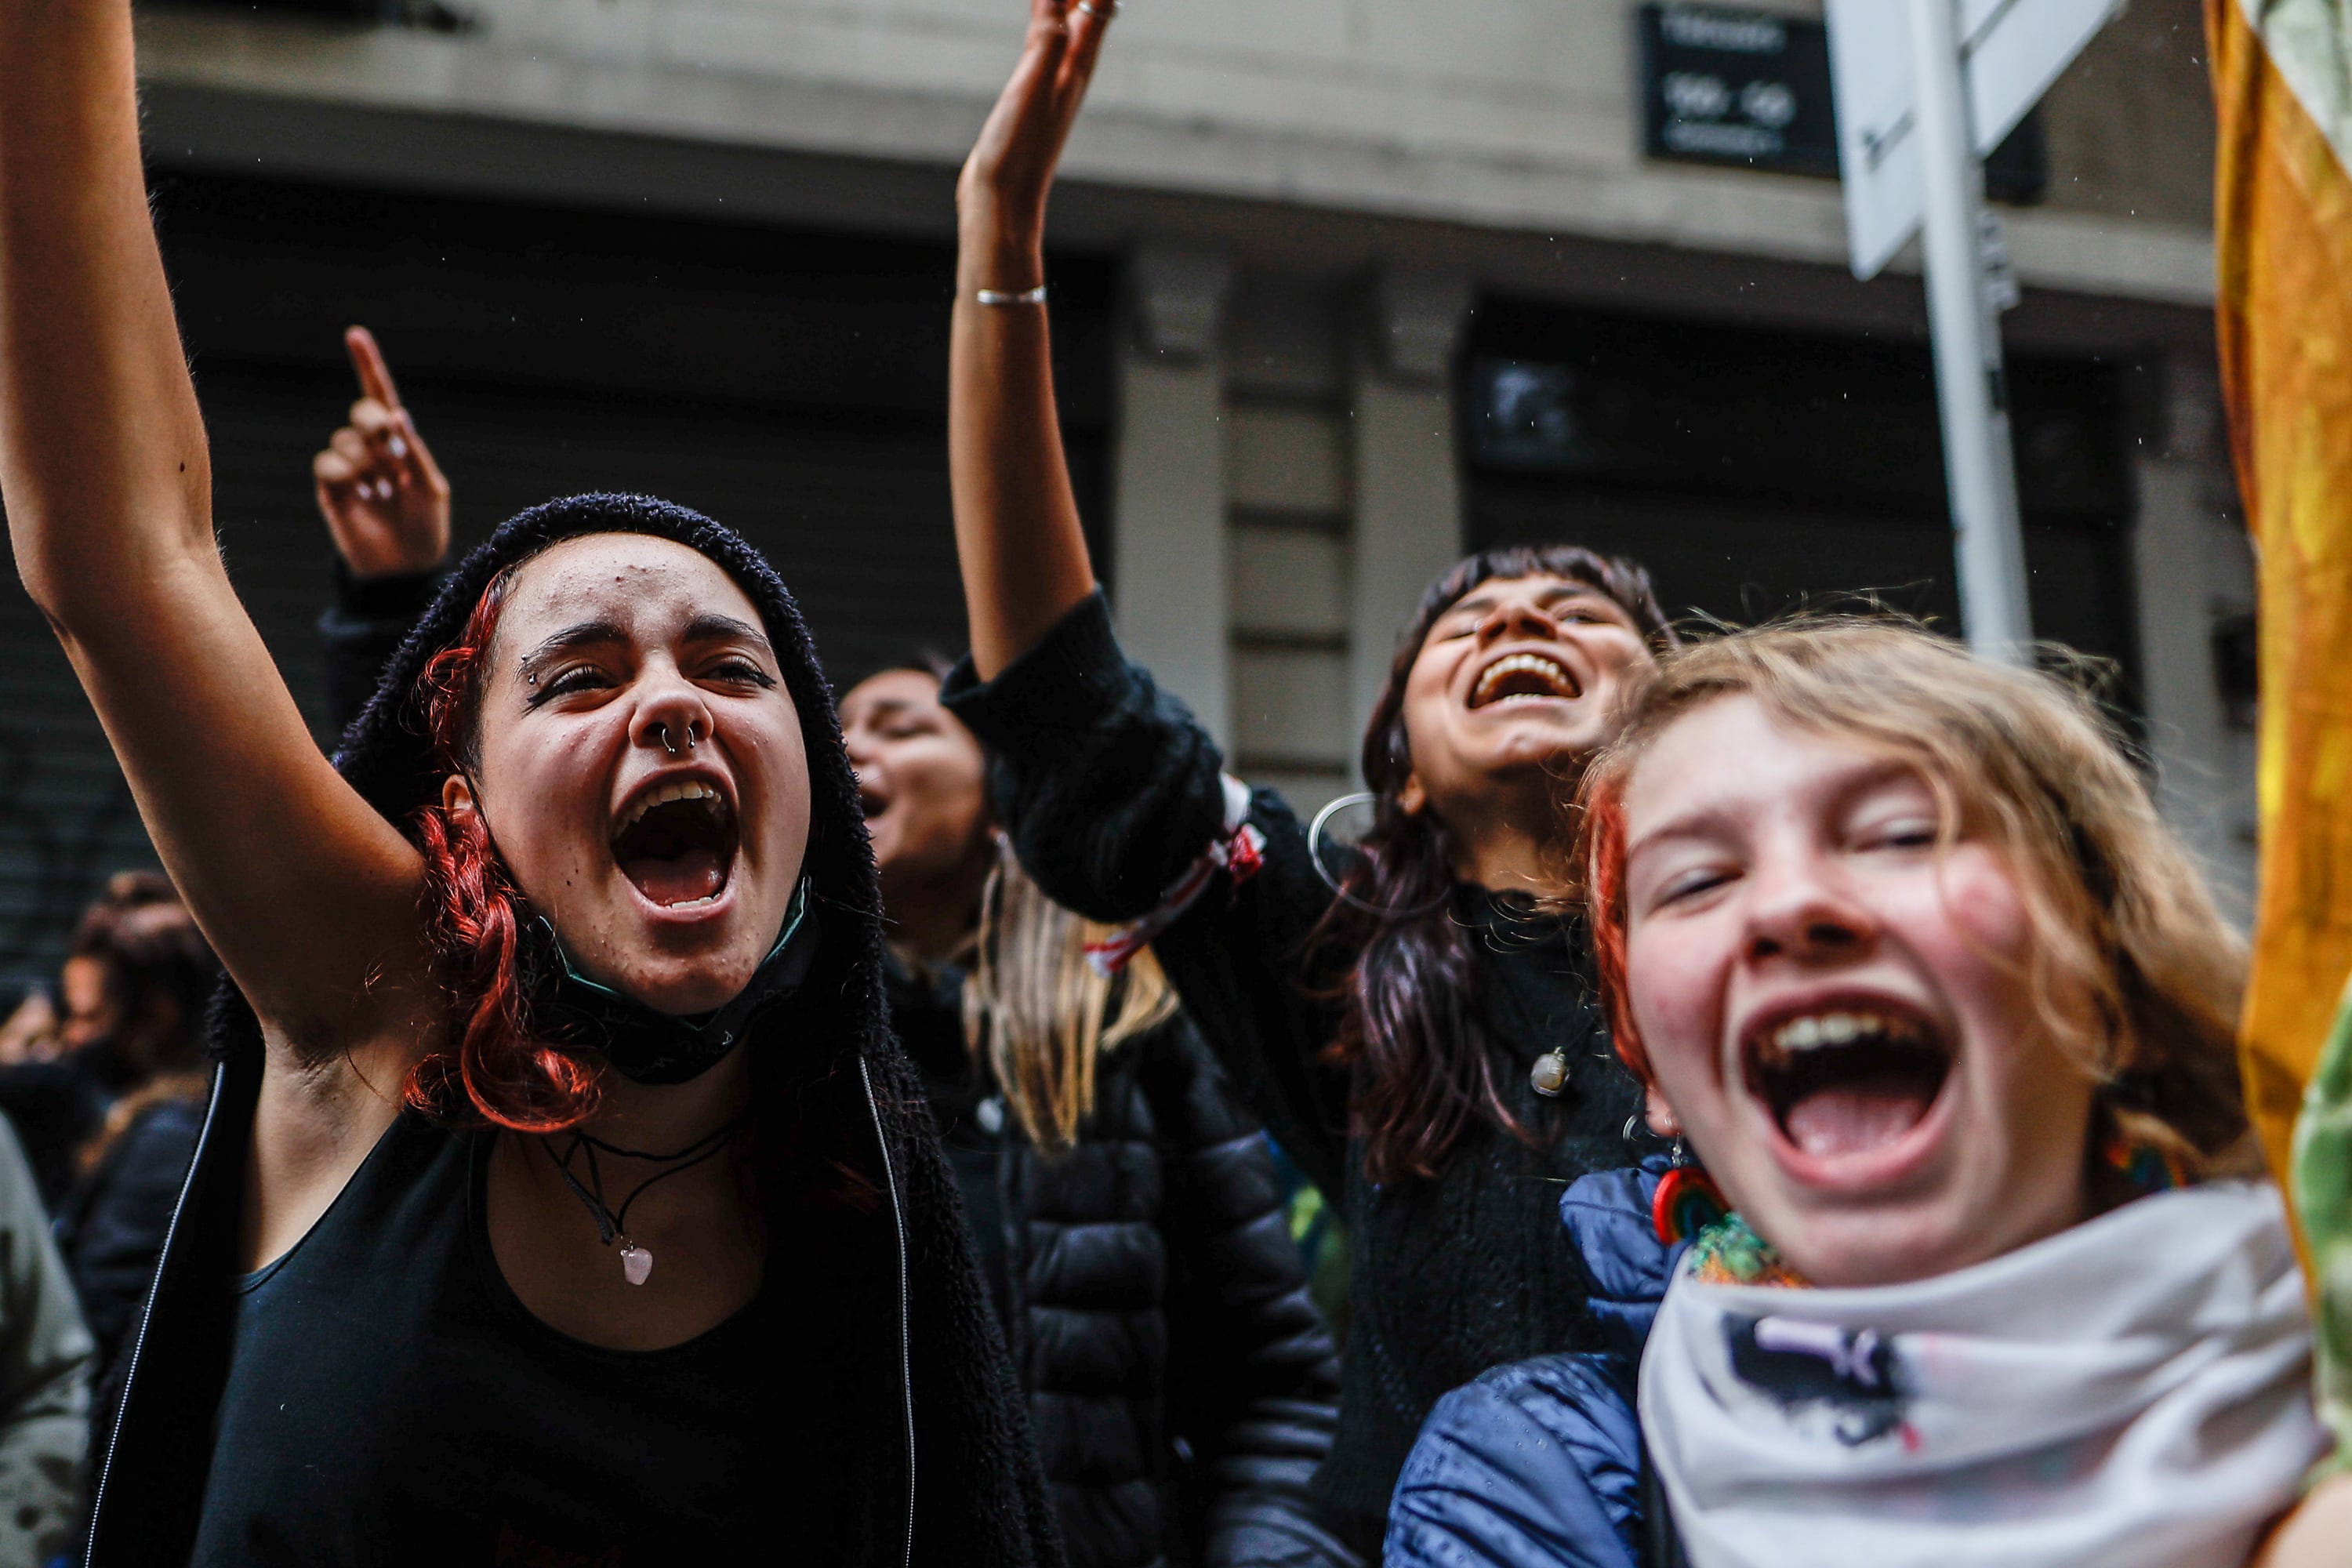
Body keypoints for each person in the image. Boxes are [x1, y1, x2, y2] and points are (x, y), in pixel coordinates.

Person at [0, 9, 1058, 1564]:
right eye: (581, 677)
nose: (671, 706)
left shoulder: (856, 1206)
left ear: (816, 791)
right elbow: (121, 551)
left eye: (730, 666)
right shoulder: (367, 1012)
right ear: (466, 805)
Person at [937, 2, 1678, 1552]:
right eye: (1466, 622)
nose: (1522, 616)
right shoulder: (1342, 969)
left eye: (1579, 612)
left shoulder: (1762, 948)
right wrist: (998, 240)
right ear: (1399, 775)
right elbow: (1073, 712)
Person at [1386, 620, 2324, 1568]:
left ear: (2114, 973)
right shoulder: (1536, 1480)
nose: (1792, 906)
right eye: (1699, 879)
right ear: (1655, 1074)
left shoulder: (2329, 1354)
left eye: (1902, 834)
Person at [842, 661, 1348, 1568]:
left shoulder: (1136, 1028)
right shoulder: (791, 1050)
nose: (848, 746)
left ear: (1005, 800)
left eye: (901, 725)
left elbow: (1275, 1384)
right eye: (836, 729)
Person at [46, 877, 219, 1370]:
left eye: (90, 1017)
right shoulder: (167, 1119)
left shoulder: (167, 1138)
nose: (72, 1036)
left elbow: (104, 1314)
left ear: (156, 1018)